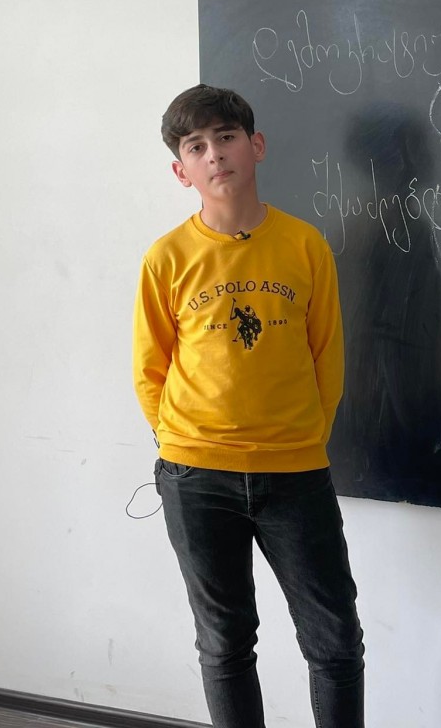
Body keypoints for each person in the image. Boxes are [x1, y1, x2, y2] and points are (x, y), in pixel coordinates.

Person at [133, 84, 365, 727]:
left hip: (295, 473)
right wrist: (183, 442)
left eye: (226, 137)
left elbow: (328, 357)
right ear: (182, 170)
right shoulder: (167, 258)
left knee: (335, 641)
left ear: (255, 145)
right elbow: (150, 370)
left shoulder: (304, 245)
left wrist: (303, 437)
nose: (215, 154)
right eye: (196, 146)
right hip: (196, 476)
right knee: (225, 644)